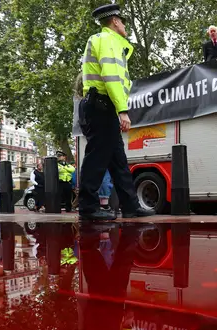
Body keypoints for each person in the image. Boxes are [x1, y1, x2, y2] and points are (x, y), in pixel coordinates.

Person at [79, 3, 155, 220]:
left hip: (101, 106)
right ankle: (87, 208)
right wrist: (123, 110)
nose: (124, 25)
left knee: (118, 160)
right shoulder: (108, 40)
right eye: (122, 21)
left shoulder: (106, 41)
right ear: (114, 21)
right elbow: (111, 76)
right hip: (101, 105)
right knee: (96, 158)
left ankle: (131, 205)